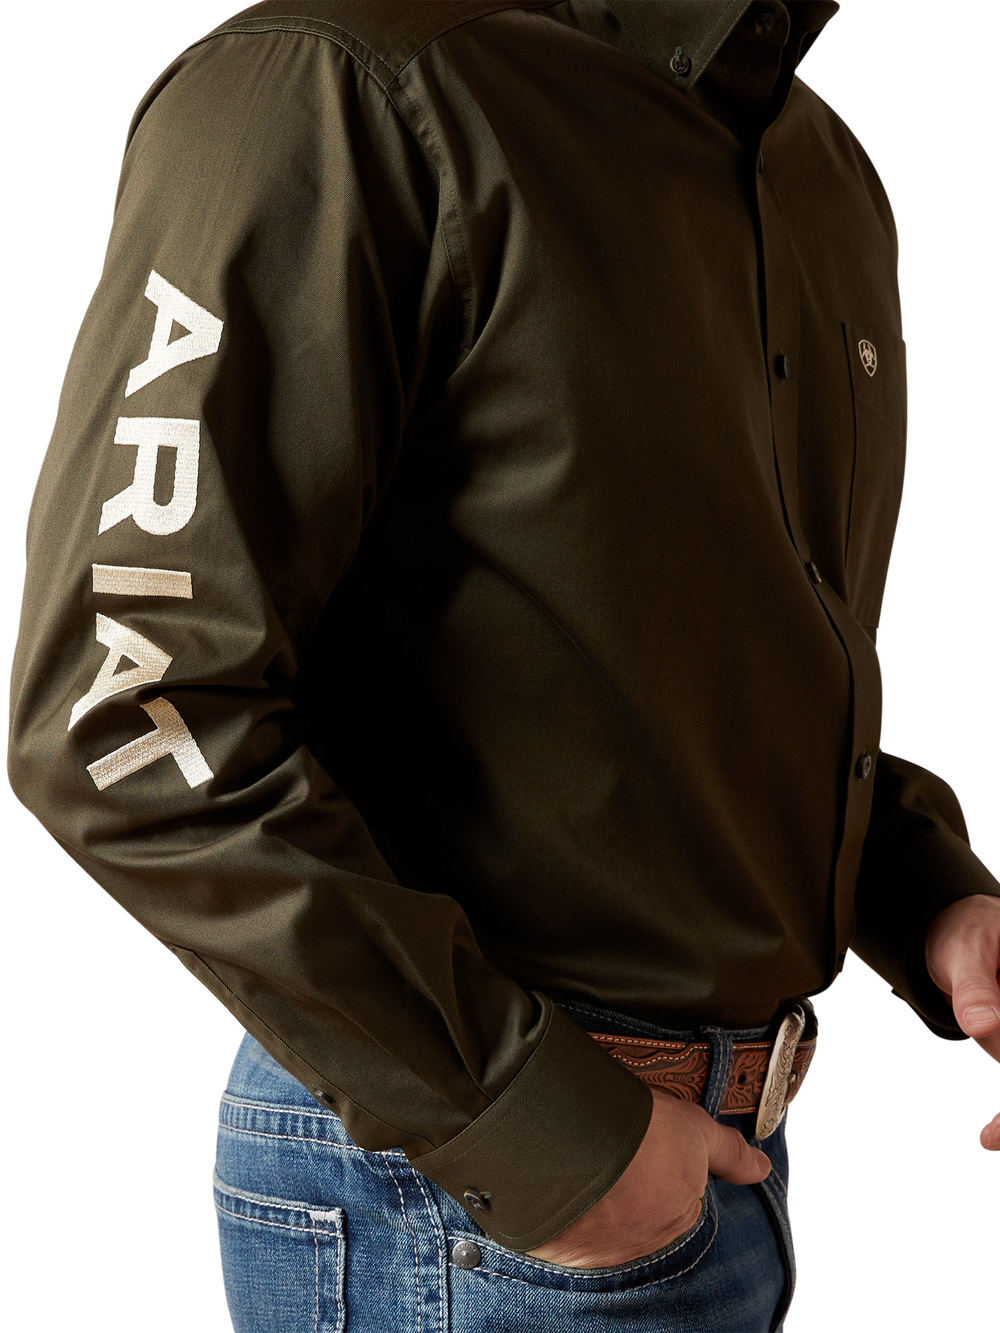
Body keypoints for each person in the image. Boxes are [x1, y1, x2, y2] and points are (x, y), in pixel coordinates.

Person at [8, 1, 1000, 1329]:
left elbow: (674, 677)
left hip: (702, 1174)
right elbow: (124, 709)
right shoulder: (331, 89)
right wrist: (537, 1132)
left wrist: (929, 898)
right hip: (467, 1207)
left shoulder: (814, 165)